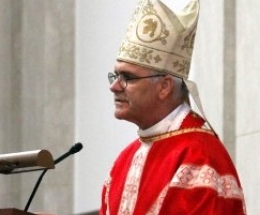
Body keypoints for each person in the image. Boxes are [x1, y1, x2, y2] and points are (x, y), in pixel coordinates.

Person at [100, 0, 247, 215]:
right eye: (115, 75)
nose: (114, 86)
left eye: (127, 77)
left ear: (164, 86)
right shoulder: (123, 161)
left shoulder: (199, 155)